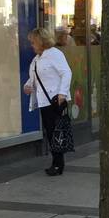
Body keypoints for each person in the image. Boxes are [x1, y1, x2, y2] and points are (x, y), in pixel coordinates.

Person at [23, 27, 72, 176]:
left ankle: (58, 164)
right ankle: (57, 162)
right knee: (51, 133)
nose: (31, 45)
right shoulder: (36, 59)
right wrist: (27, 86)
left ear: (40, 41)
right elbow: (34, 79)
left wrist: (62, 93)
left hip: (55, 100)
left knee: (55, 132)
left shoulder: (54, 54)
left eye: (33, 42)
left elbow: (66, 72)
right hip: (44, 101)